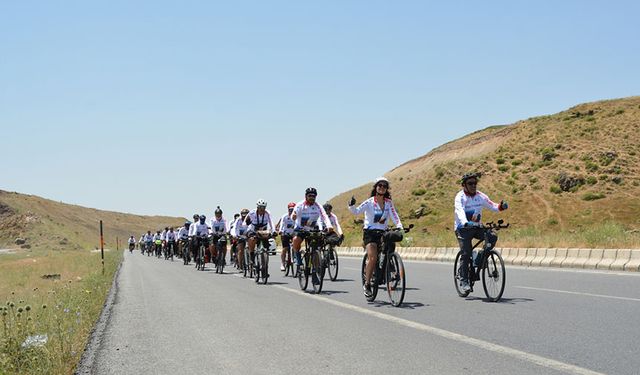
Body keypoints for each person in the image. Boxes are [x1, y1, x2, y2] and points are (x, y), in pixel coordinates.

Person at [348, 177, 403, 298]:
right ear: (376, 187)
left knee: (390, 248)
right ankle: (367, 284)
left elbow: (394, 215)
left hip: (383, 232)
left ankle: (389, 271)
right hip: (370, 233)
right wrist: (351, 205)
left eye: (384, 186)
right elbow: (356, 211)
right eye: (380, 186)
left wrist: (399, 226)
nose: (382, 188)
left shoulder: (388, 203)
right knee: (372, 257)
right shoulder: (369, 202)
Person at [454, 172, 508, 293]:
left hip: (477, 227)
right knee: (466, 253)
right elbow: (459, 211)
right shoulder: (460, 197)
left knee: (492, 236)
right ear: (464, 185)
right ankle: (464, 279)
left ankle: (479, 258)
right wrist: (465, 222)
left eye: (475, 183)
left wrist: (500, 206)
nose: (473, 185)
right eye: (470, 183)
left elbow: (492, 205)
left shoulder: (480, 196)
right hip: (462, 229)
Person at [291, 188, 334, 284]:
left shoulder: (318, 206)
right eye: (310, 196)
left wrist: (329, 226)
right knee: (295, 240)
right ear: (306, 196)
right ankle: (298, 261)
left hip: (312, 230)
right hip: (300, 229)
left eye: (313, 196)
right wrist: (293, 215)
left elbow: (324, 216)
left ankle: (315, 273)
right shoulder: (300, 205)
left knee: (315, 251)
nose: (312, 198)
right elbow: (294, 213)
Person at [245, 199, 276, 274]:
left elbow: (271, 222)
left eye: (263, 207)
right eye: (260, 207)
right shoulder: (252, 213)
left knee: (265, 249)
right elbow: (245, 222)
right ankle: (252, 256)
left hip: (263, 231)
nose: (262, 209)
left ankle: (265, 267)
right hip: (253, 230)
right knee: (252, 239)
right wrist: (247, 224)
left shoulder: (267, 213)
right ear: (257, 207)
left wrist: (274, 231)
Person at [277, 202, 296, 271]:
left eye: (293, 209)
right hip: (285, 234)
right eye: (290, 209)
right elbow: (281, 224)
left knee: (295, 244)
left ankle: (294, 257)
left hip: (293, 233)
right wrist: (280, 231)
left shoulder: (296, 216)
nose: (291, 211)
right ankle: (282, 263)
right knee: (285, 248)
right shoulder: (285, 216)